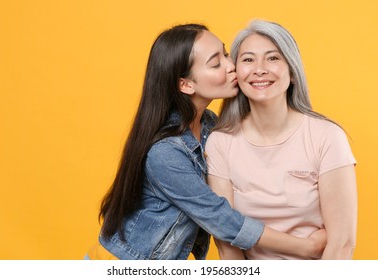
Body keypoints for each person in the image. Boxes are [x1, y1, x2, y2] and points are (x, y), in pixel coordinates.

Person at [85, 23, 326, 260]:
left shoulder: (210, 124)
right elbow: (221, 218)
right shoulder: (165, 153)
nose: (232, 66)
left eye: (225, 54)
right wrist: (304, 248)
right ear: (186, 84)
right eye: (216, 63)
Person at [205, 19, 357, 260]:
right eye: (248, 59)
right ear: (236, 74)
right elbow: (227, 244)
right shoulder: (220, 142)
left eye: (273, 58)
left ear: (293, 72)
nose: (260, 69)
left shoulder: (327, 137)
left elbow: (342, 244)